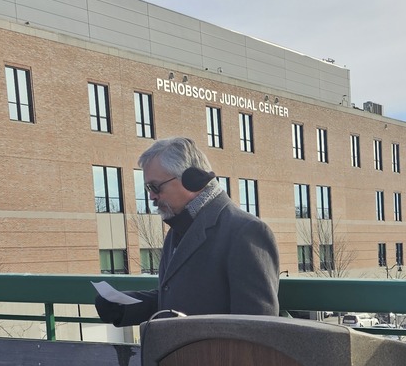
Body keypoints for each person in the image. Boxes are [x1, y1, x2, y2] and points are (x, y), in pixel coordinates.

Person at [94, 137, 280, 326]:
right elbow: (178, 298)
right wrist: (124, 307)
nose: (151, 196)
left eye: (155, 187)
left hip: (209, 355)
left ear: (192, 180)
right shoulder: (178, 229)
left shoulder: (246, 232)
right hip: (175, 353)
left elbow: (257, 327)